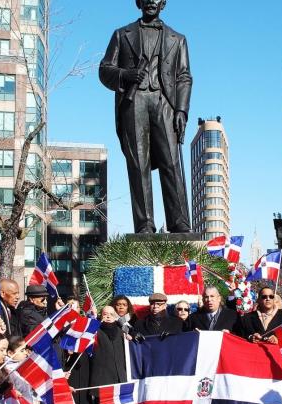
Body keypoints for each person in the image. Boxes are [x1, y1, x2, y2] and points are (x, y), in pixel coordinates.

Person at [99, 0, 193, 234]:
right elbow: (104, 70)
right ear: (138, 2)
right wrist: (127, 74)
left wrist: (181, 110)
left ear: (163, 3)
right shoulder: (122, 34)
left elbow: (184, 77)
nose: (151, 0)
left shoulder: (177, 39)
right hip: (134, 102)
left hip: (165, 103)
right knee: (138, 162)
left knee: (171, 162)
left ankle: (179, 221)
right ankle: (145, 223)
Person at [90, 306, 129, 404]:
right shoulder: (95, 332)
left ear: (115, 316)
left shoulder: (122, 333)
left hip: (118, 379)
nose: (108, 316)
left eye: (111, 314)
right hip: (101, 379)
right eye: (105, 314)